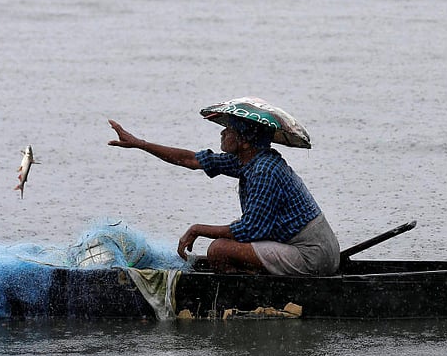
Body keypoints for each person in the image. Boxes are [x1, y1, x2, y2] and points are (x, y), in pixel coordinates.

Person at [107, 113, 340, 275]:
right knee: (224, 246)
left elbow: (249, 230)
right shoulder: (248, 160)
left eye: (230, 130)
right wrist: (140, 144)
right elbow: (191, 160)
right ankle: (257, 274)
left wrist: (197, 229)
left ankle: (254, 293)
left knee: (219, 250)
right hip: (310, 249)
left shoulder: (263, 170)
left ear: (246, 142)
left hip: (312, 256)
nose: (223, 133)